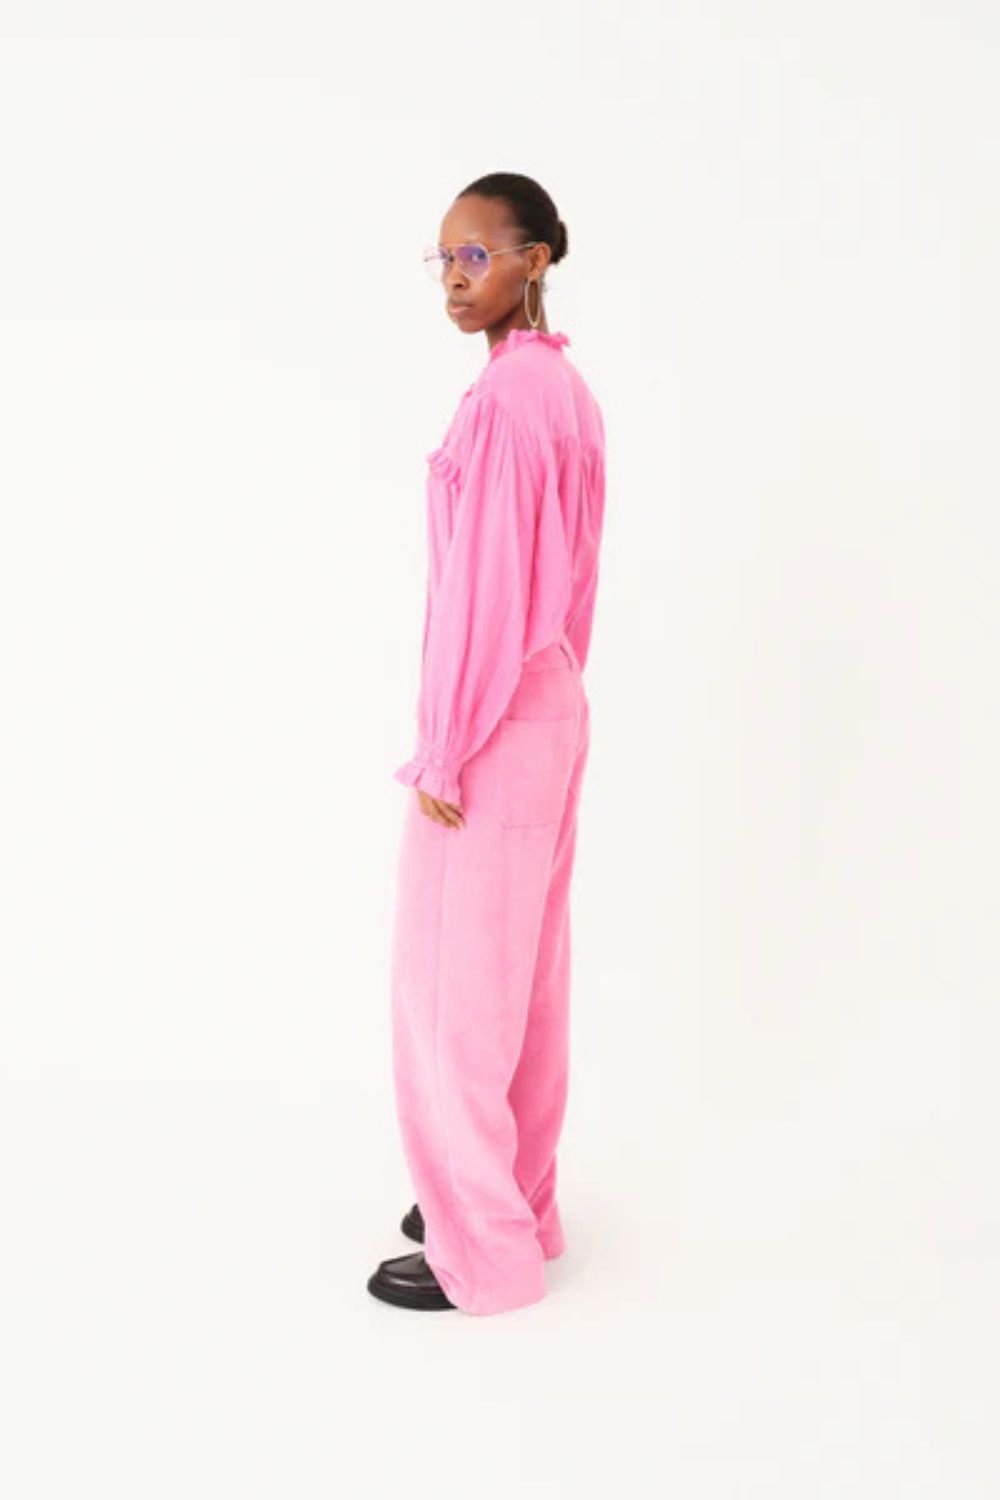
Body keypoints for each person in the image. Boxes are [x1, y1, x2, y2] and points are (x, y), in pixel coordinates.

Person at [367, 172, 607, 1315]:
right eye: (445, 260)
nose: (456, 280)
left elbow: (486, 596)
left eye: (477, 256)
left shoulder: (510, 399)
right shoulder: (565, 392)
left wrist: (446, 746)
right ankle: (512, 1199)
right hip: (549, 703)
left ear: (535, 259)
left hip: (496, 717)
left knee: (455, 988)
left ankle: (482, 1244)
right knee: (524, 982)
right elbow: (567, 587)